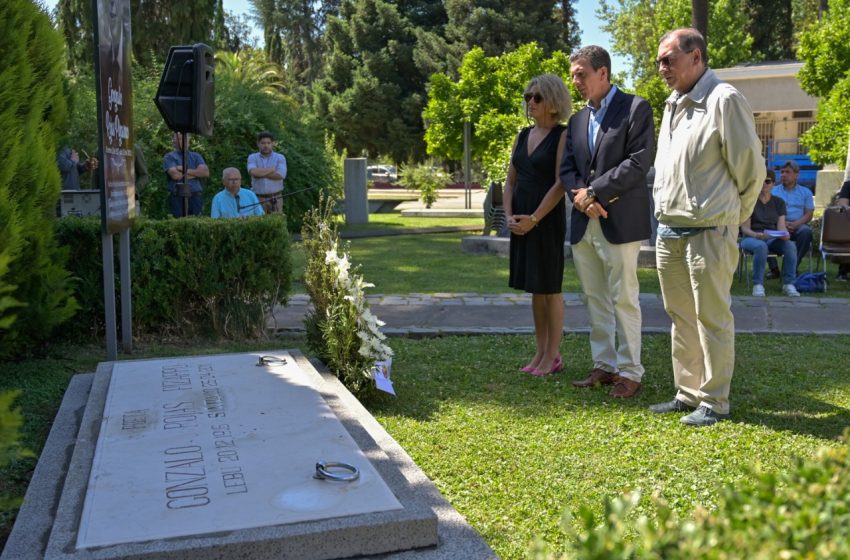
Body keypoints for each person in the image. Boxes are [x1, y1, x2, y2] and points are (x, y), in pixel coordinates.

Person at [650, 28, 764, 426]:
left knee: (712, 317)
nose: (661, 68)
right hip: (669, 231)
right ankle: (688, 393)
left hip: (709, 232)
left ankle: (715, 402)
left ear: (696, 57)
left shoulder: (724, 99)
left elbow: (751, 170)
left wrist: (730, 218)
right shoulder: (672, 103)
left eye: (669, 60)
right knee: (680, 316)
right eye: (659, 61)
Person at [533, 46, 654, 398]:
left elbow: (638, 162)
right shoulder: (578, 121)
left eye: (581, 74)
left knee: (624, 298)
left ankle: (630, 372)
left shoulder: (636, 108)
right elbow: (567, 169)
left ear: (603, 73)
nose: (575, 81)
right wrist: (581, 198)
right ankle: (604, 365)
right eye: (572, 75)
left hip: (620, 221)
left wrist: (595, 193)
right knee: (594, 297)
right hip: (585, 222)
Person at [505, 74, 571, 377]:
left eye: (537, 97)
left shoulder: (562, 135)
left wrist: (534, 219)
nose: (530, 102)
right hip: (520, 221)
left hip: (544, 220)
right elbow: (510, 180)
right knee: (535, 288)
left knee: (550, 288)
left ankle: (552, 356)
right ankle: (540, 352)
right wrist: (508, 215)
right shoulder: (522, 135)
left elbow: (560, 183)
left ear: (553, 102)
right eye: (528, 97)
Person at [739, 169, 799, 297]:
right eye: (760, 181)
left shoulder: (779, 202)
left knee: (790, 246)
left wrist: (785, 234)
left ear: (773, 183)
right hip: (751, 237)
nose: (764, 184)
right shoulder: (750, 201)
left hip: (771, 237)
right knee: (761, 246)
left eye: (767, 181)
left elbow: (781, 227)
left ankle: (788, 284)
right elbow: (745, 228)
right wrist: (756, 235)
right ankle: (758, 285)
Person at [767, 160, 814, 276]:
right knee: (764, 231)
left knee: (806, 232)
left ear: (797, 175)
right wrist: (783, 224)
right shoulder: (772, 191)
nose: (783, 175)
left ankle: (792, 268)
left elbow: (809, 213)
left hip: (798, 226)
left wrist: (796, 224)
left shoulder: (805, 192)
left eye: (787, 172)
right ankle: (774, 269)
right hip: (777, 225)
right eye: (782, 172)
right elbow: (767, 211)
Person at [163, 131, 209, 217]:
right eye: (179, 138)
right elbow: (175, 175)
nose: (183, 141)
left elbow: (205, 172)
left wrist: (183, 169)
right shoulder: (169, 157)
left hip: (195, 197)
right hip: (178, 198)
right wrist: (196, 173)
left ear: (189, 140)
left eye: (185, 138)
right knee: (179, 225)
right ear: (174, 141)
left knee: (197, 224)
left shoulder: (196, 156)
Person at [247, 131, 287, 214]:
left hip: (276, 198)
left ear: (272, 144)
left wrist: (260, 173)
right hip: (258, 198)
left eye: (268, 143)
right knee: (258, 225)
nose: (266, 145)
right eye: (263, 143)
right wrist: (272, 169)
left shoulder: (280, 157)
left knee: (277, 225)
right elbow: (253, 172)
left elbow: (281, 175)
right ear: (258, 144)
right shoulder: (252, 157)